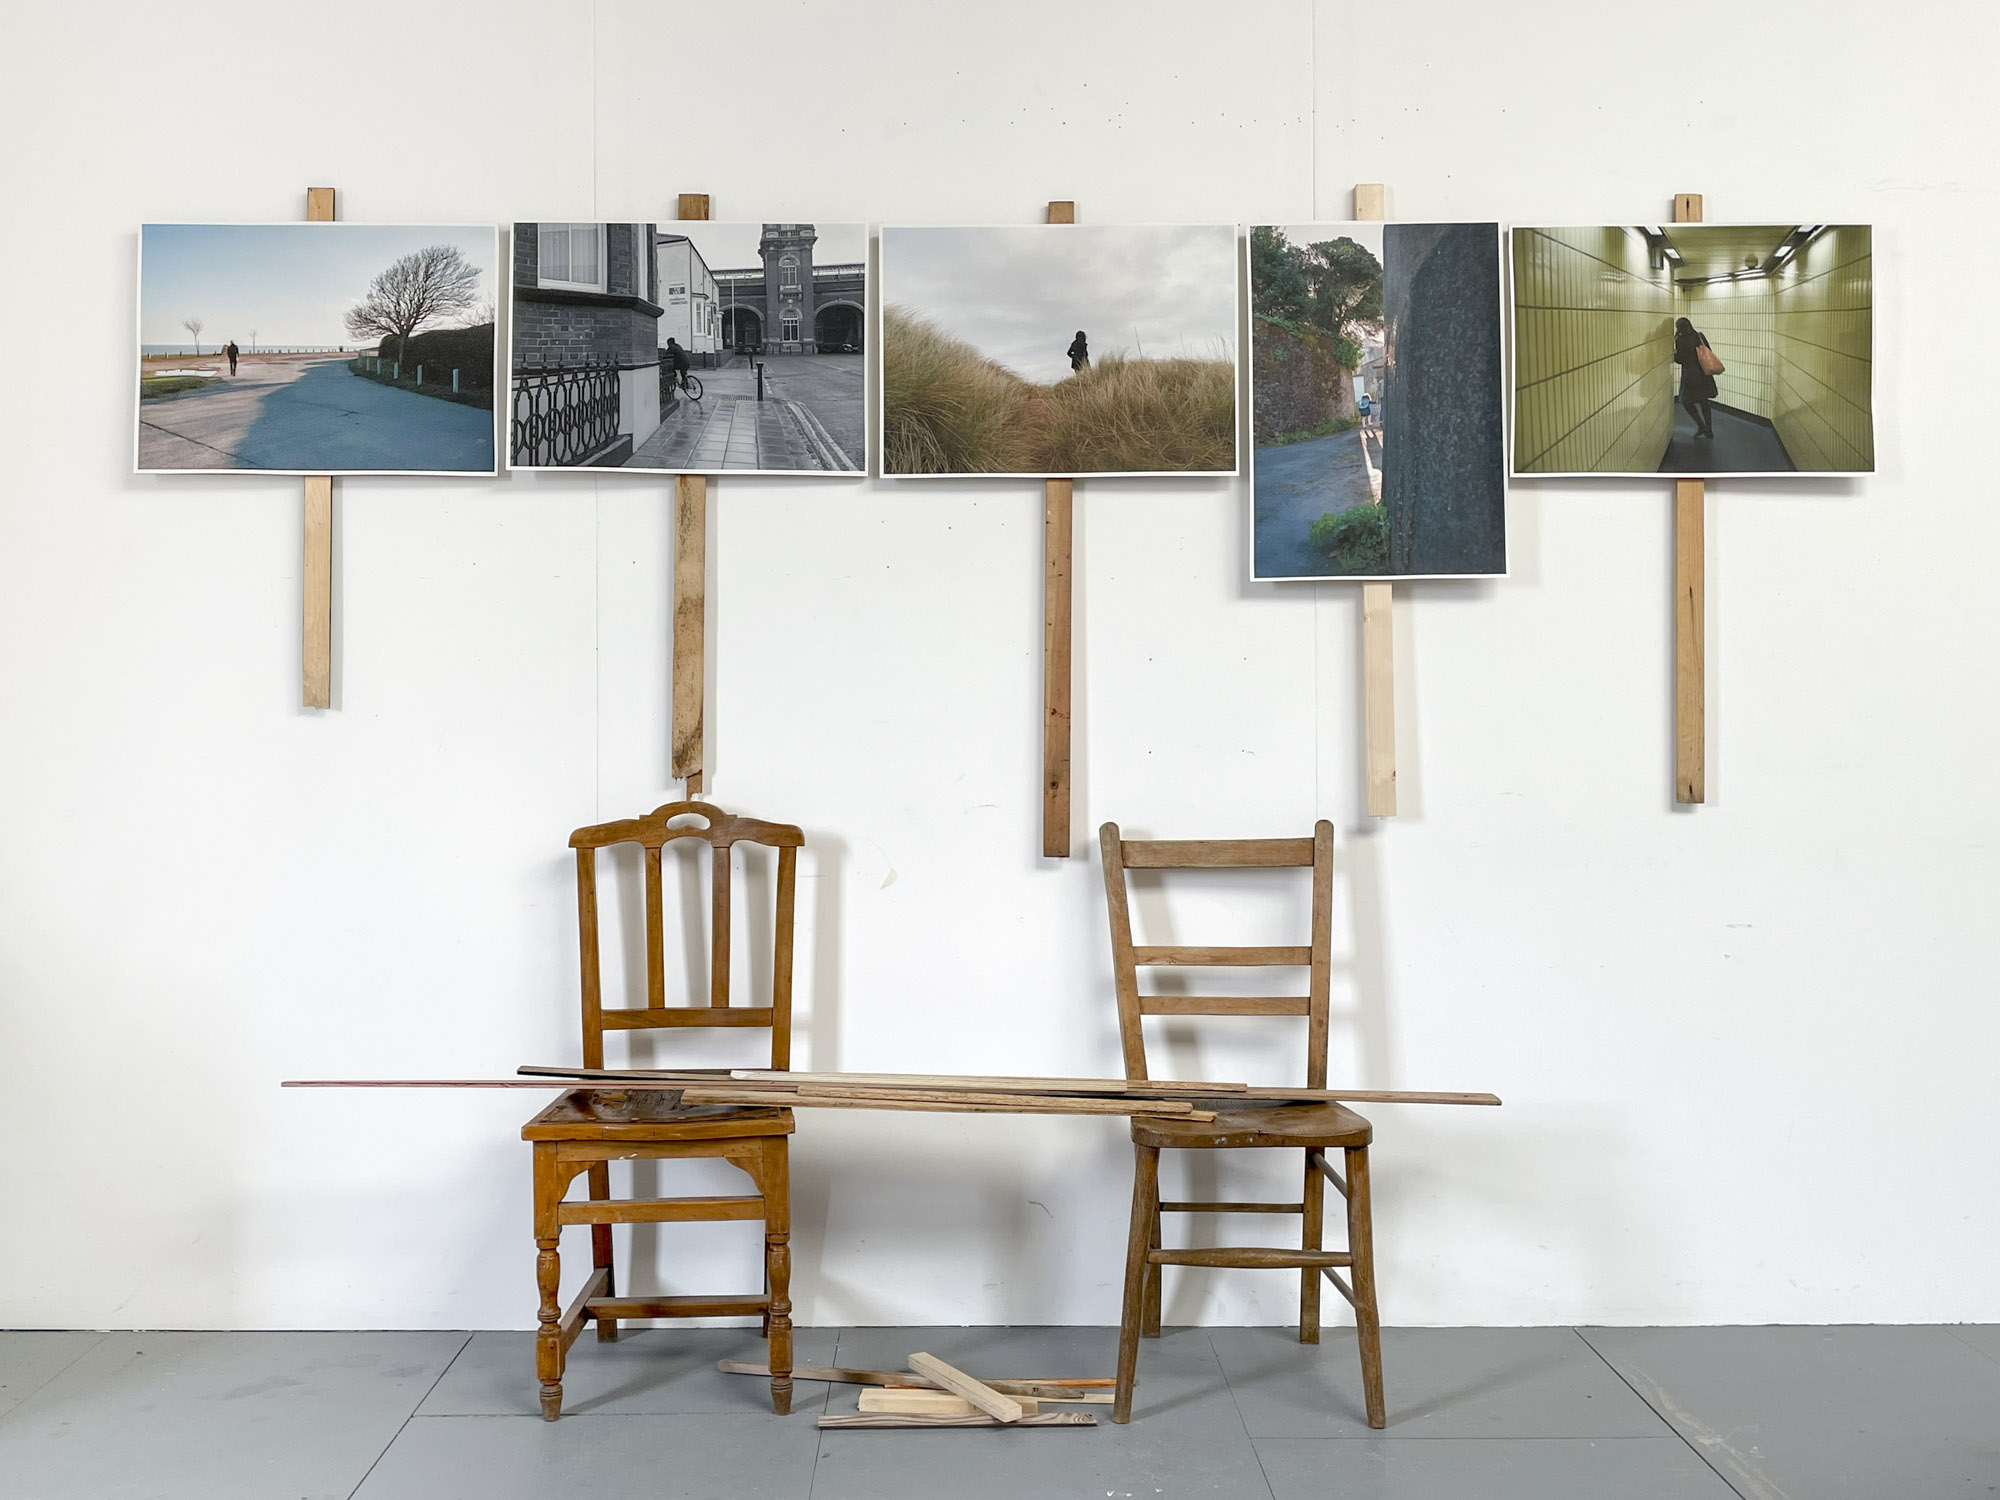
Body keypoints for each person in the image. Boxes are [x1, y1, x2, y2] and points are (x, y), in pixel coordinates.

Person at [1673, 317, 1716, 439]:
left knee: (1686, 401)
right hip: (1703, 374)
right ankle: (1709, 429)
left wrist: (1671, 355)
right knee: (1704, 402)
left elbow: (1681, 359)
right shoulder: (1699, 335)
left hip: (1690, 376)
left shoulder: (1681, 339)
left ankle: (1701, 425)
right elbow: (1708, 351)